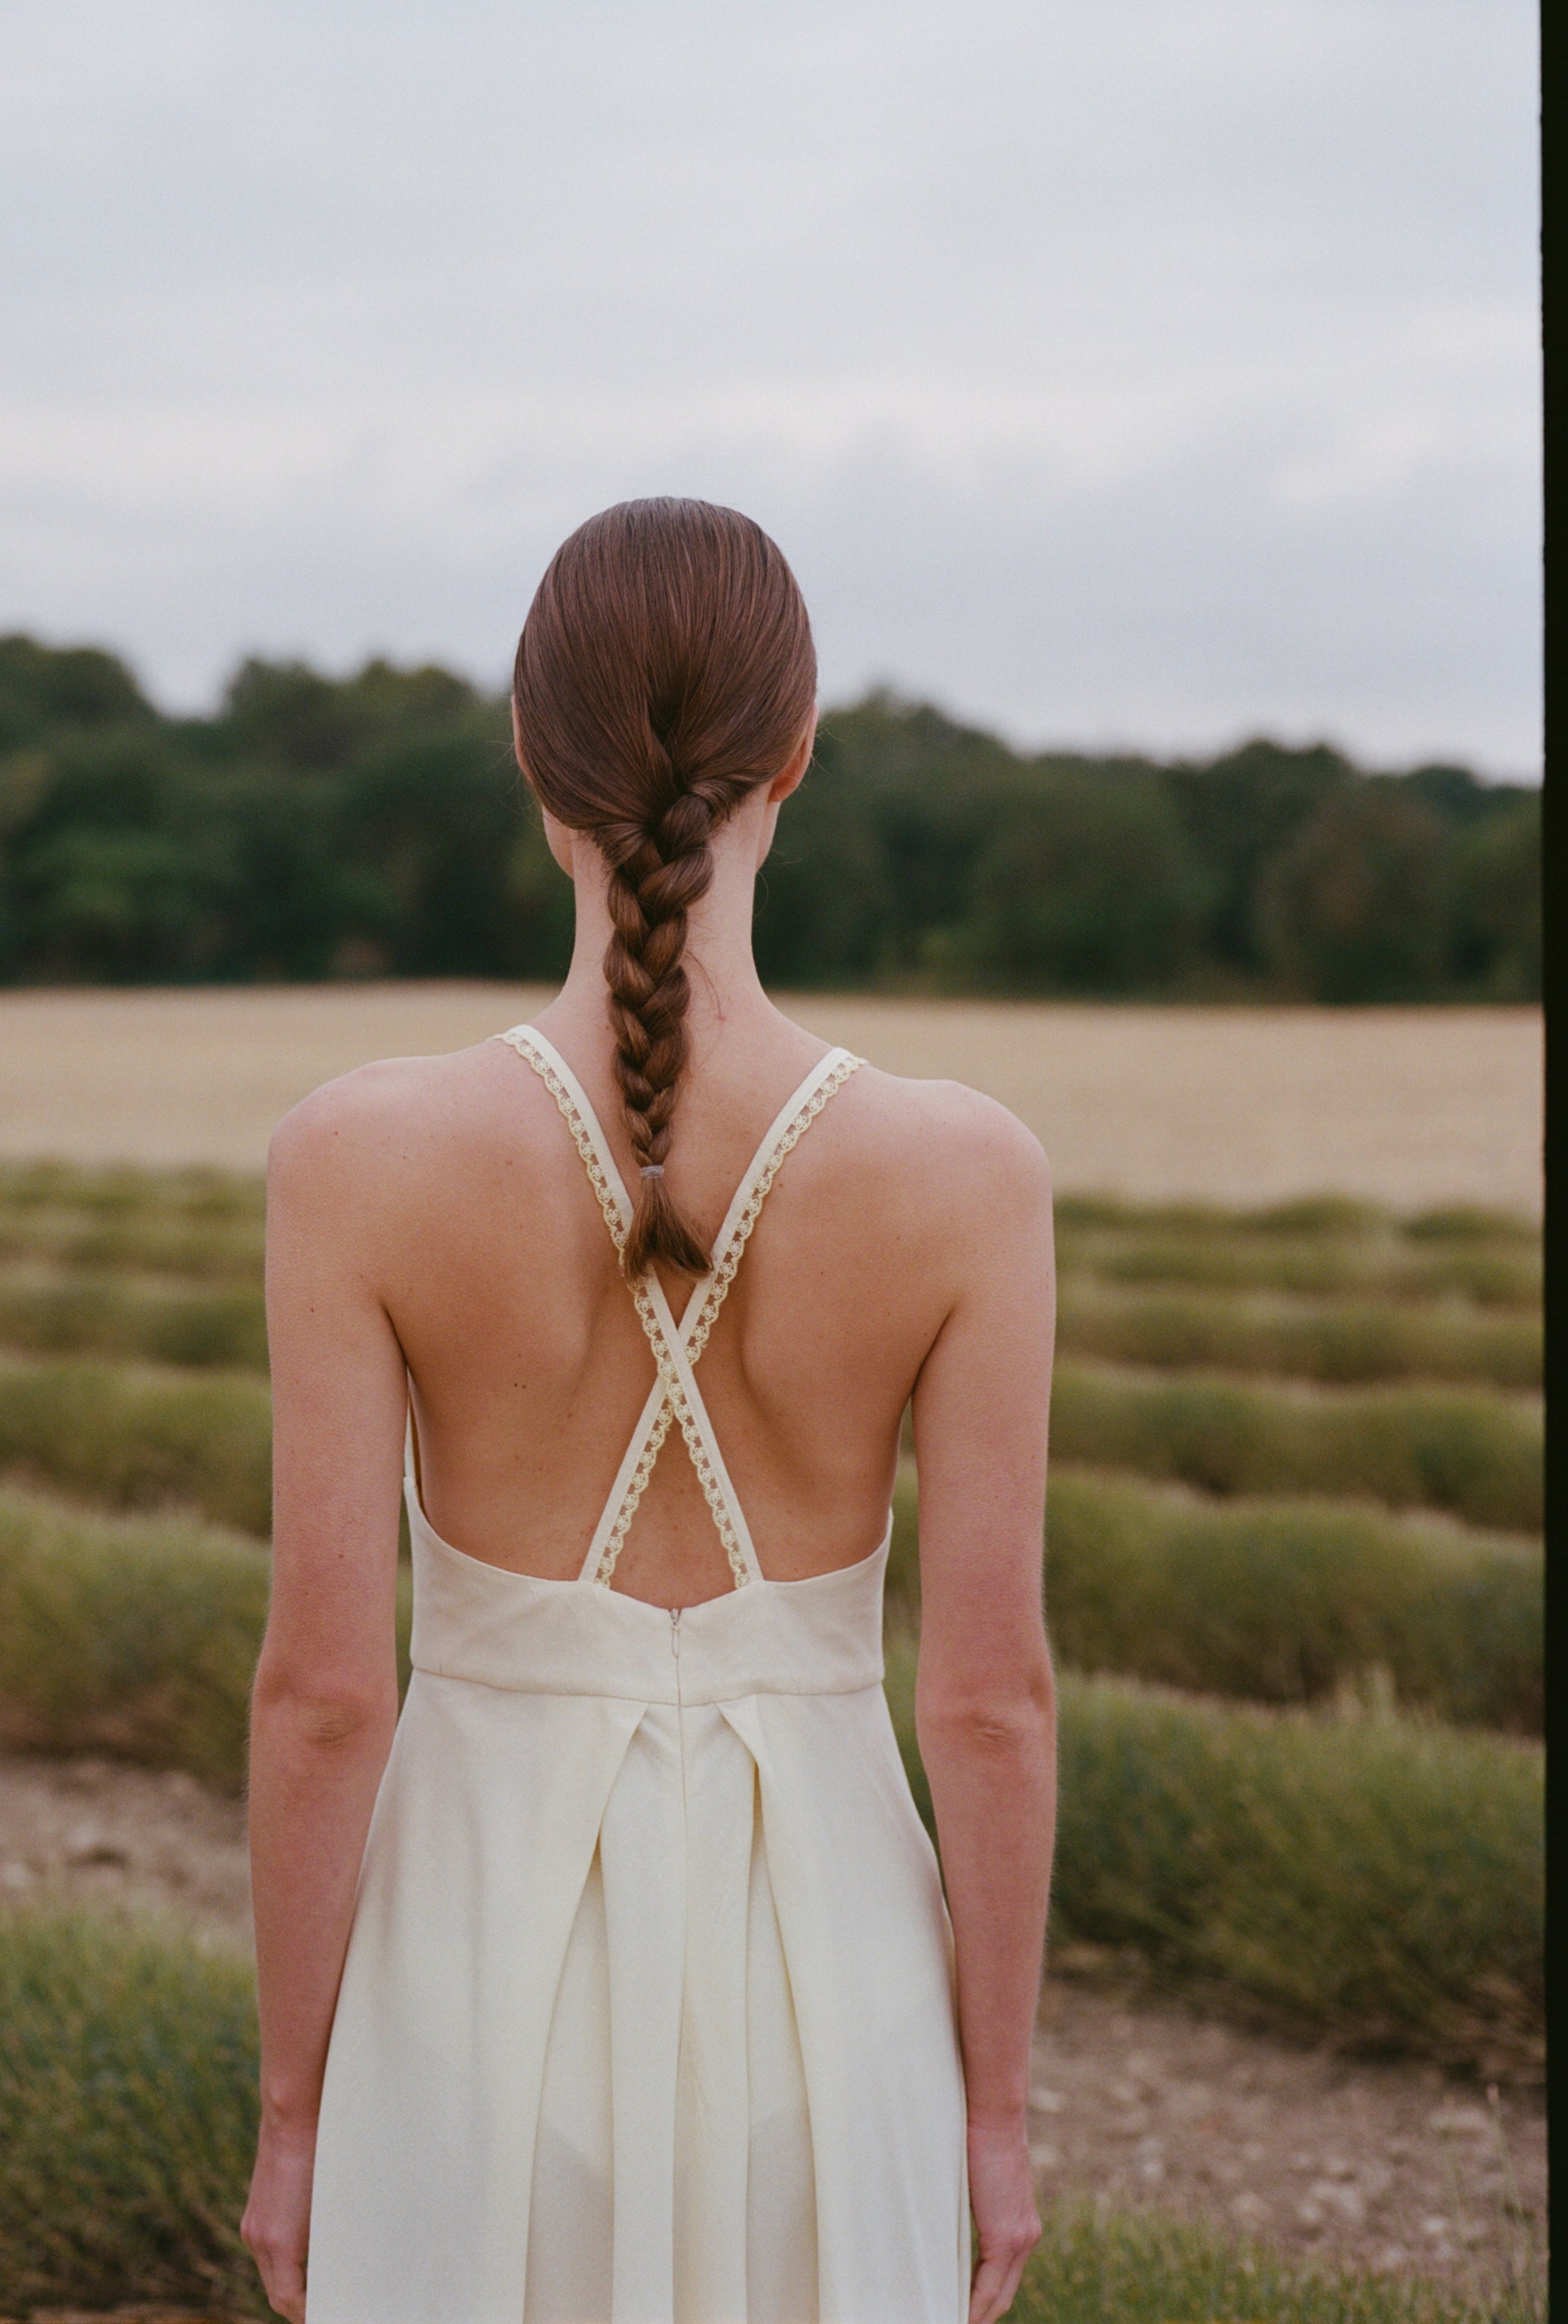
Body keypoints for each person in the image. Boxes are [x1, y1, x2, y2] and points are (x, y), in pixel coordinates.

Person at [240, 497, 1057, 2324]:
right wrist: (993, 2109)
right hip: (830, 1989)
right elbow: (990, 1700)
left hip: (473, 1976)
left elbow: (322, 1694)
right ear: (799, 752)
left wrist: (294, 2113)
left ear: (534, 764)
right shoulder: (968, 1173)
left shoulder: (356, 1157)